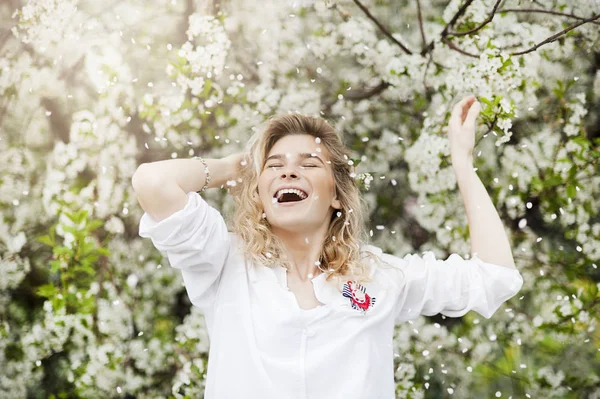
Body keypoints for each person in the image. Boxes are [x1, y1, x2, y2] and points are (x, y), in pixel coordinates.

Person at [132, 95, 524, 399]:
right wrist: (235, 167)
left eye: (309, 163)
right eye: (275, 165)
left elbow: (494, 277)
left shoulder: (379, 278)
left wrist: (462, 162)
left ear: (337, 195)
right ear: (260, 193)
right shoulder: (223, 263)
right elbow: (152, 183)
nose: (289, 171)